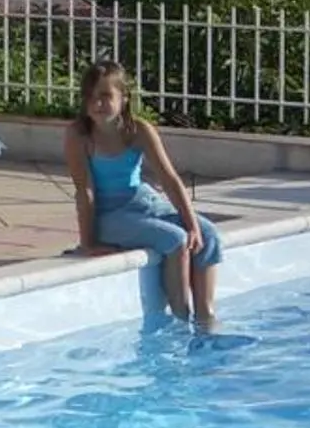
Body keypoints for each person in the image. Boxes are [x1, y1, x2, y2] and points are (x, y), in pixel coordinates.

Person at [66, 60, 220, 329]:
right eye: (91, 97)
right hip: (108, 214)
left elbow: (169, 179)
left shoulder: (138, 130)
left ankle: (206, 318)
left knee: (207, 234)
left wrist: (192, 222)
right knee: (175, 240)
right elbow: (85, 191)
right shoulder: (79, 136)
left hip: (141, 202)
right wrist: (88, 242)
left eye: (105, 96)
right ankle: (181, 321)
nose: (97, 104)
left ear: (124, 99)